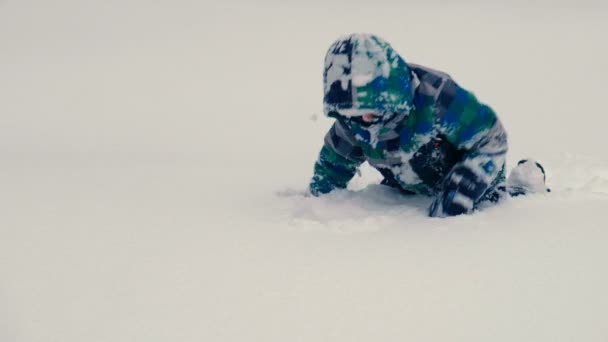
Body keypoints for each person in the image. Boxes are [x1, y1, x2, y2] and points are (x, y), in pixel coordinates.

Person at [309, 33, 549, 217]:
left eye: (372, 109)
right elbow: (335, 161)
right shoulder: (353, 121)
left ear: (391, 95)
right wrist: (321, 200)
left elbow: (490, 138)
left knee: (492, 205)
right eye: (354, 113)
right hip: (407, 182)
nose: (365, 120)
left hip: (470, 175)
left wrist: (458, 194)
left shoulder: (437, 97)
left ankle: (523, 187)